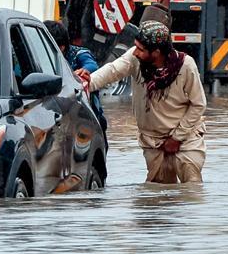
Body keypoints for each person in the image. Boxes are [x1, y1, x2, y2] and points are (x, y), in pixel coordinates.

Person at [77, 21, 206, 183]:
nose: (136, 52)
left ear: (157, 52)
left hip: (187, 137)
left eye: (141, 49)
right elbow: (113, 71)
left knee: (192, 185)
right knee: (158, 191)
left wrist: (177, 138)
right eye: (136, 47)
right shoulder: (135, 59)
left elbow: (198, 104)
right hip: (153, 140)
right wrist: (87, 82)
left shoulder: (185, 66)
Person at [44, 20, 107, 131]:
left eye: (46, 45)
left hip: (87, 118)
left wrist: (82, 72)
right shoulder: (41, 57)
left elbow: (91, 65)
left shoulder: (79, 53)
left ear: (61, 47)